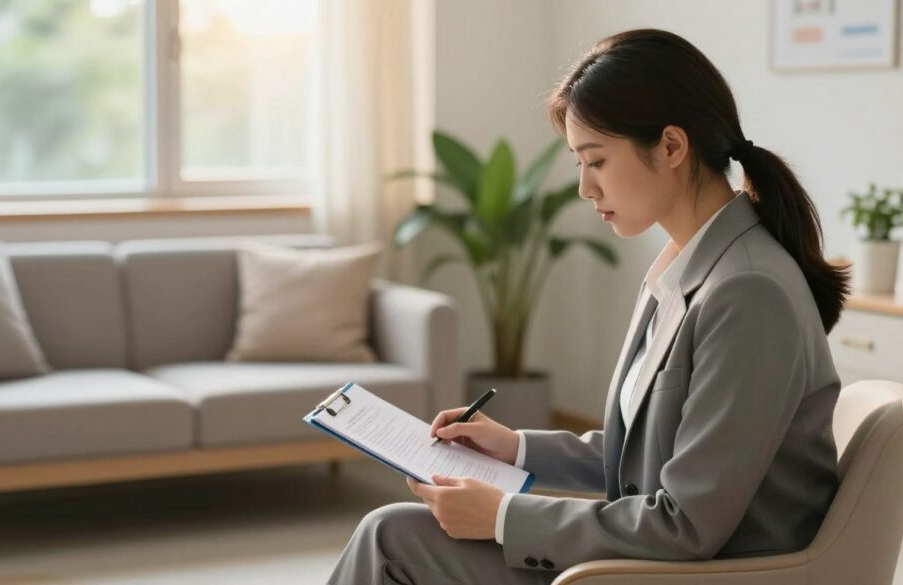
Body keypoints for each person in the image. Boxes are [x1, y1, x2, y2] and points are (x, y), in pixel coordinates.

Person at [327, 28, 849, 584]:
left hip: (702, 574)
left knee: (390, 538)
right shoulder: (689, 266)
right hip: (655, 560)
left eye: (595, 161)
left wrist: (502, 516)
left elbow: (687, 523)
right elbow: (652, 454)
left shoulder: (747, 290)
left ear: (672, 147)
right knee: (393, 533)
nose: (585, 188)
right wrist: (515, 448)